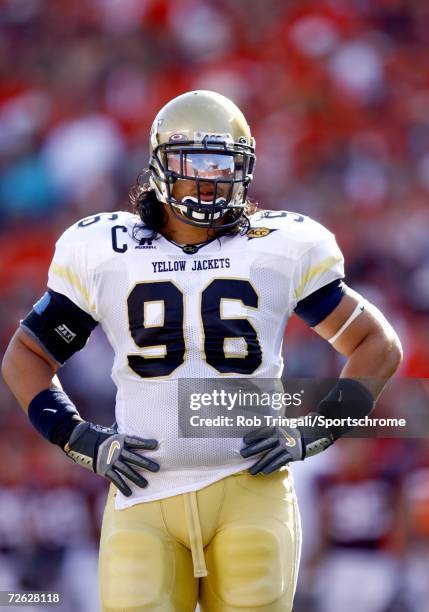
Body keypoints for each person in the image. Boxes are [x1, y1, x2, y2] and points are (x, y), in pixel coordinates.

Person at [2, 90, 402, 611]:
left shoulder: (278, 244)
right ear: (160, 165)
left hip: (249, 489)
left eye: (224, 162)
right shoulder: (107, 249)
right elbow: (27, 356)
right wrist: (79, 437)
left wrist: (315, 432)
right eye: (194, 161)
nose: (210, 177)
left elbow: (377, 345)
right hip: (143, 492)